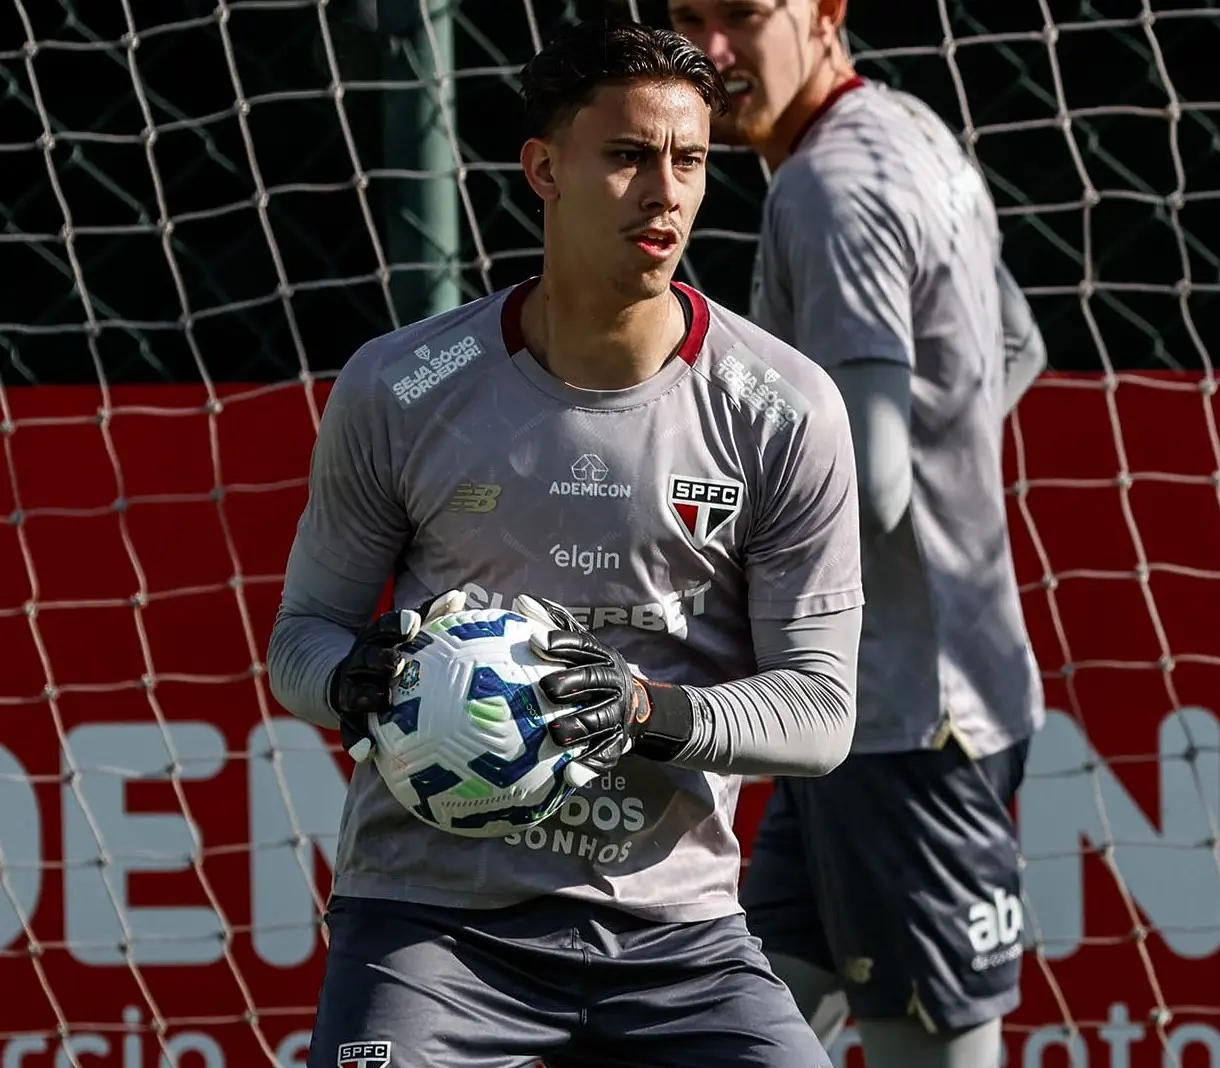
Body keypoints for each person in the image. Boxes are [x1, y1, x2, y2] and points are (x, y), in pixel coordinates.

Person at [267, 18, 866, 1068]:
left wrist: (642, 711)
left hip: (677, 939)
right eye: (628, 155)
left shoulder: (784, 409)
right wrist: (354, 682)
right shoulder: (400, 386)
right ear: (543, 169)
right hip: (431, 926)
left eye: (689, 160)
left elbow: (821, 712)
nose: (665, 192)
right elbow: (301, 640)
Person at [668, 3, 1047, 1067]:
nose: (712, 51)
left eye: (743, 14)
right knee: (735, 1032)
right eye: (687, 17)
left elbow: (869, 487)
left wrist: (683, 536)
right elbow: (1017, 345)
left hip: (906, 727)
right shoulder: (910, 131)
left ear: (826, 12)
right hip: (871, 706)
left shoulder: (828, 188)